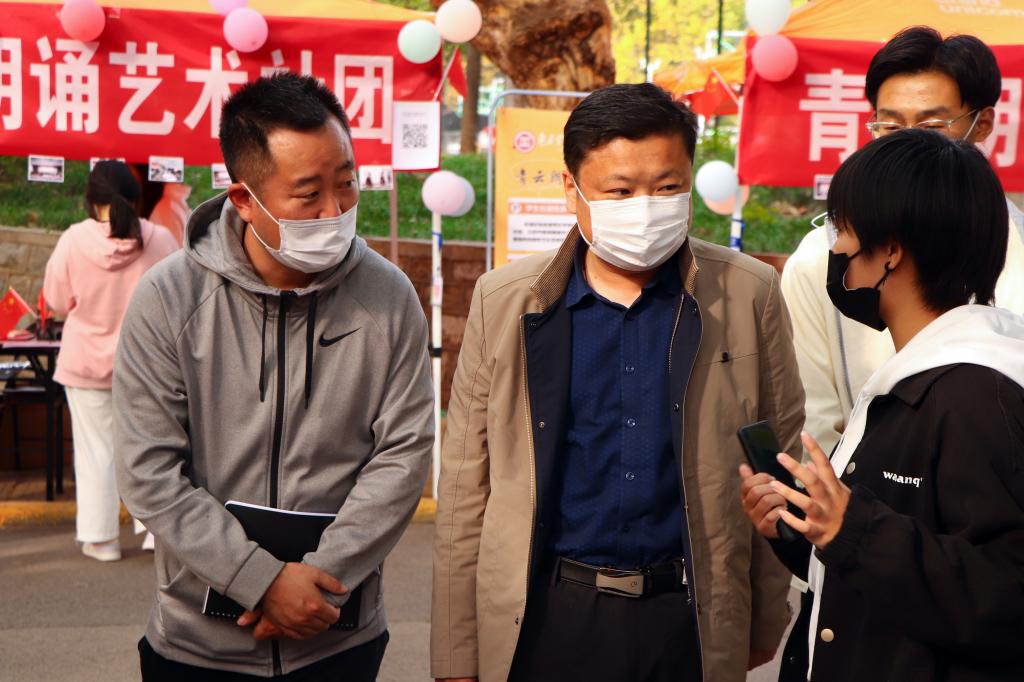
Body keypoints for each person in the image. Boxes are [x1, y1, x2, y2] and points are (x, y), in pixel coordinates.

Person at [431, 83, 805, 682]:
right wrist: (456, 651)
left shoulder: (749, 292)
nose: (646, 208)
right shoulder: (503, 301)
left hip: (688, 615)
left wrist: (762, 619)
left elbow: (776, 465)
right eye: (621, 191)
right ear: (571, 189)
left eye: (667, 188)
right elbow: (464, 487)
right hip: (547, 613)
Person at [113, 73, 433, 679]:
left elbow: (403, 453)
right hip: (198, 648)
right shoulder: (169, 299)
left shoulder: (388, 297)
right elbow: (147, 469)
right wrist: (259, 580)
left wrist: (321, 581)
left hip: (338, 637)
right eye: (308, 194)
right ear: (243, 199)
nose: (334, 211)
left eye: (346, 183)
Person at [740, 129, 1024, 681]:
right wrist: (796, 531)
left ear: (890, 251)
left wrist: (853, 529)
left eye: (842, 229)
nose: (834, 249)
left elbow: (1004, 592)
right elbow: (884, 572)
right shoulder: (915, 377)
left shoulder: (976, 394)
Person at [781, 26, 1024, 457]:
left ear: (982, 124)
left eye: (932, 125)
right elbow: (813, 424)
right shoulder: (822, 259)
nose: (910, 145)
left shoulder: (1017, 247)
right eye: (890, 126)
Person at [43, 160, 177, 561]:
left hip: (85, 364)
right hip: (147, 366)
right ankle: (155, 532)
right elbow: (177, 299)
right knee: (151, 450)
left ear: (91, 199)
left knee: (95, 453)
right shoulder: (160, 239)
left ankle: (101, 540)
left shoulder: (73, 239)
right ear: (135, 198)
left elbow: (56, 300)